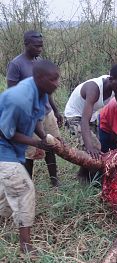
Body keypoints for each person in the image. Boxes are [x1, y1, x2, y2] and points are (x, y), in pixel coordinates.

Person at [0, 60, 59, 253]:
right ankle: (25, 245)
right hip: (3, 149)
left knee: (7, 193)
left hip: (13, 150)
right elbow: (6, 132)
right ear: (40, 78)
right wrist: (36, 143)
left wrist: (45, 139)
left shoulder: (41, 93)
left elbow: (35, 120)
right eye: (53, 80)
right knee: (24, 190)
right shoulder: (19, 99)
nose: (57, 84)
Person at [64, 64, 117, 182]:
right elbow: (84, 120)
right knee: (93, 148)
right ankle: (95, 182)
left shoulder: (116, 87)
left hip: (91, 116)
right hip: (75, 116)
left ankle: (82, 175)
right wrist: (89, 146)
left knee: (95, 148)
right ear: (111, 79)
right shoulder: (94, 89)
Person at [6, 30, 63, 187]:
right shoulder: (16, 64)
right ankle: (27, 184)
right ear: (26, 44)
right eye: (36, 46)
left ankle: (54, 180)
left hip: (46, 112)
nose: (39, 49)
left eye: (41, 46)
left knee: (51, 145)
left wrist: (56, 110)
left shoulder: (40, 63)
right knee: (30, 152)